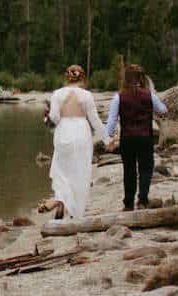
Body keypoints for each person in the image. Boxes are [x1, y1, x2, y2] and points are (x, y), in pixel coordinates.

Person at [103, 63, 168, 211]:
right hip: (145, 137)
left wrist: (108, 138)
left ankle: (128, 204)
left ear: (126, 79)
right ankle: (143, 201)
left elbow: (112, 120)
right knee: (146, 169)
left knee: (129, 170)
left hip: (127, 139)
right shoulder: (149, 95)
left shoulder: (118, 97)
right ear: (141, 78)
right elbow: (163, 111)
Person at [43, 64, 104, 219]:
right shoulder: (86, 96)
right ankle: (74, 210)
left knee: (61, 170)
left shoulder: (57, 94)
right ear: (82, 78)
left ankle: (61, 204)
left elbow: (54, 118)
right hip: (81, 133)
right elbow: (95, 120)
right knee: (79, 171)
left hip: (63, 132)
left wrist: (46, 119)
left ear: (66, 77)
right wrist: (107, 138)